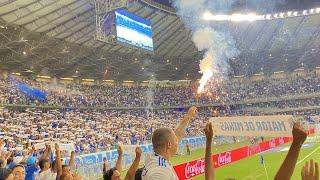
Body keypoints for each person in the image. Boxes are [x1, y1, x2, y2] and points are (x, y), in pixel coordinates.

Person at [141, 106, 197, 180]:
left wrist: (188, 116)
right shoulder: (160, 171)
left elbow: (178, 134)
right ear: (169, 144)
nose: (177, 142)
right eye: (176, 141)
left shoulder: (154, 157)